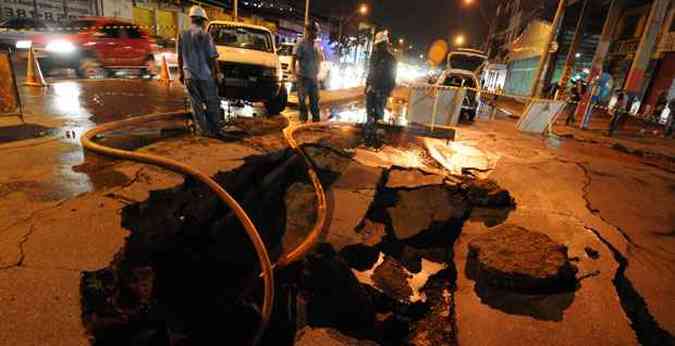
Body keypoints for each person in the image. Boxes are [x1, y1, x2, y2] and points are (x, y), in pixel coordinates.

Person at [177, 6, 224, 137]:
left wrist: (181, 73)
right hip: (204, 76)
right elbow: (213, 57)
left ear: (191, 19)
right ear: (202, 20)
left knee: (196, 105)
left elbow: (180, 56)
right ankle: (216, 131)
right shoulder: (205, 35)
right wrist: (218, 74)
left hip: (189, 76)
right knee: (212, 103)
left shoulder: (182, 34)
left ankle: (203, 132)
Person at [292, 22, 324, 122]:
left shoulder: (316, 45)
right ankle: (303, 122)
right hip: (303, 78)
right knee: (302, 102)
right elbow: (294, 59)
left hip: (313, 79)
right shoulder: (301, 44)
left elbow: (321, 59)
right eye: (315, 31)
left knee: (315, 103)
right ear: (309, 31)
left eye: (317, 31)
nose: (316, 33)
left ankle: (316, 123)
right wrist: (294, 74)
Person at [365, 30, 397, 129]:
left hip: (380, 91)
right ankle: (370, 136)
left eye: (380, 44)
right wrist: (367, 86)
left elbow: (392, 77)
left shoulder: (390, 59)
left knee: (377, 116)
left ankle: (375, 137)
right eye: (378, 45)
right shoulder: (375, 57)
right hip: (374, 90)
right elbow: (371, 73)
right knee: (372, 116)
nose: (378, 47)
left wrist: (387, 91)